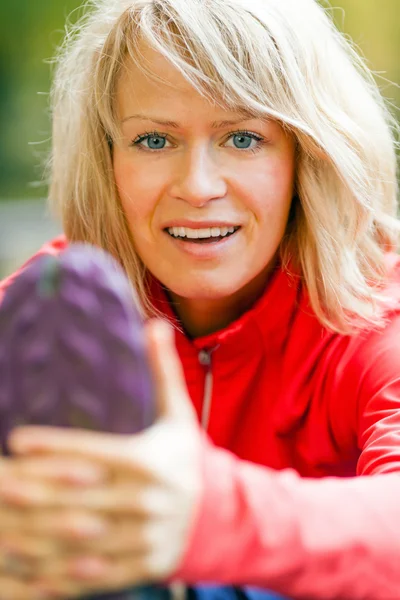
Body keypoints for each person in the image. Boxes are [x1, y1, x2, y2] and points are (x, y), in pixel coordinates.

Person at [0, 0, 399, 598]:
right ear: (106, 159)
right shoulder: (52, 310)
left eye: (243, 137)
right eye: (154, 140)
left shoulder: (373, 310)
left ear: (307, 156)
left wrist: (210, 514)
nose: (198, 186)